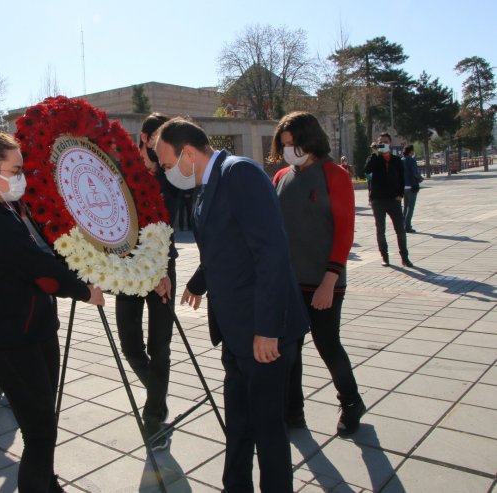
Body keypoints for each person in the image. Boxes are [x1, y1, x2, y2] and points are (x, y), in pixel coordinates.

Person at [155, 118, 308, 493]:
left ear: (187, 153)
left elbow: (271, 253)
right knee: (239, 423)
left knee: (268, 431)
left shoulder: (239, 174)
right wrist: (199, 282)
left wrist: (267, 329)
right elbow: (228, 243)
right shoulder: (206, 184)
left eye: (166, 163)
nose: (165, 171)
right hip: (237, 332)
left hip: (264, 332)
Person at [0, 132, 105, 493]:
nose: (22, 177)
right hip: (11, 339)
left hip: (35, 330)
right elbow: (36, 266)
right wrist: (83, 291)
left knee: (42, 423)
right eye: (15, 169)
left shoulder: (9, 209)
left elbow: (45, 254)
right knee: (39, 430)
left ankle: (47, 484)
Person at [270, 112, 366, 436]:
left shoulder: (334, 175)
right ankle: (292, 412)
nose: (288, 150)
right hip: (290, 282)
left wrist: (330, 280)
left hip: (324, 281)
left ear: (310, 140)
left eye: (293, 143)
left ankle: (351, 402)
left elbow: (344, 231)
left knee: (327, 344)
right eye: (284, 145)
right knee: (289, 348)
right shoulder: (281, 176)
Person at [115, 112, 179, 450]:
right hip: (127, 271)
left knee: (160, 347)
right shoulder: (122, 174)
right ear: (144, 137)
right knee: (130, 345)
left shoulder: (171, 177)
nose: (162, 144)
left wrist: (160, 272)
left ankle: (154, 414)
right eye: (158, 137)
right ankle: (160, 396)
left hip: (163, 271)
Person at [365, 133, 413, 267]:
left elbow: (402, 178)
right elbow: (367, 170)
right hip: (378, 200)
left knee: (400, 230)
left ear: (390, 143)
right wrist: (375, 153)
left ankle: (405, 257)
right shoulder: (374, 158)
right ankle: (384, 257)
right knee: (381, 230)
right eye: (380, 142)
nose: (383, 144)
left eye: (385, 142)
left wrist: (400, 195)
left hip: (393, 200)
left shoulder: (397, 160)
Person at [401, 144, 422, 233]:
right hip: (412, 185)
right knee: (411, 207)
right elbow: (415, 173)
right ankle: (408, 226)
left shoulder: (401, 160)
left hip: (403, 186)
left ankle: (402, 225)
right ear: (411, 151)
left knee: (405, 206)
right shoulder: (412, 160)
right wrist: (420, 179)